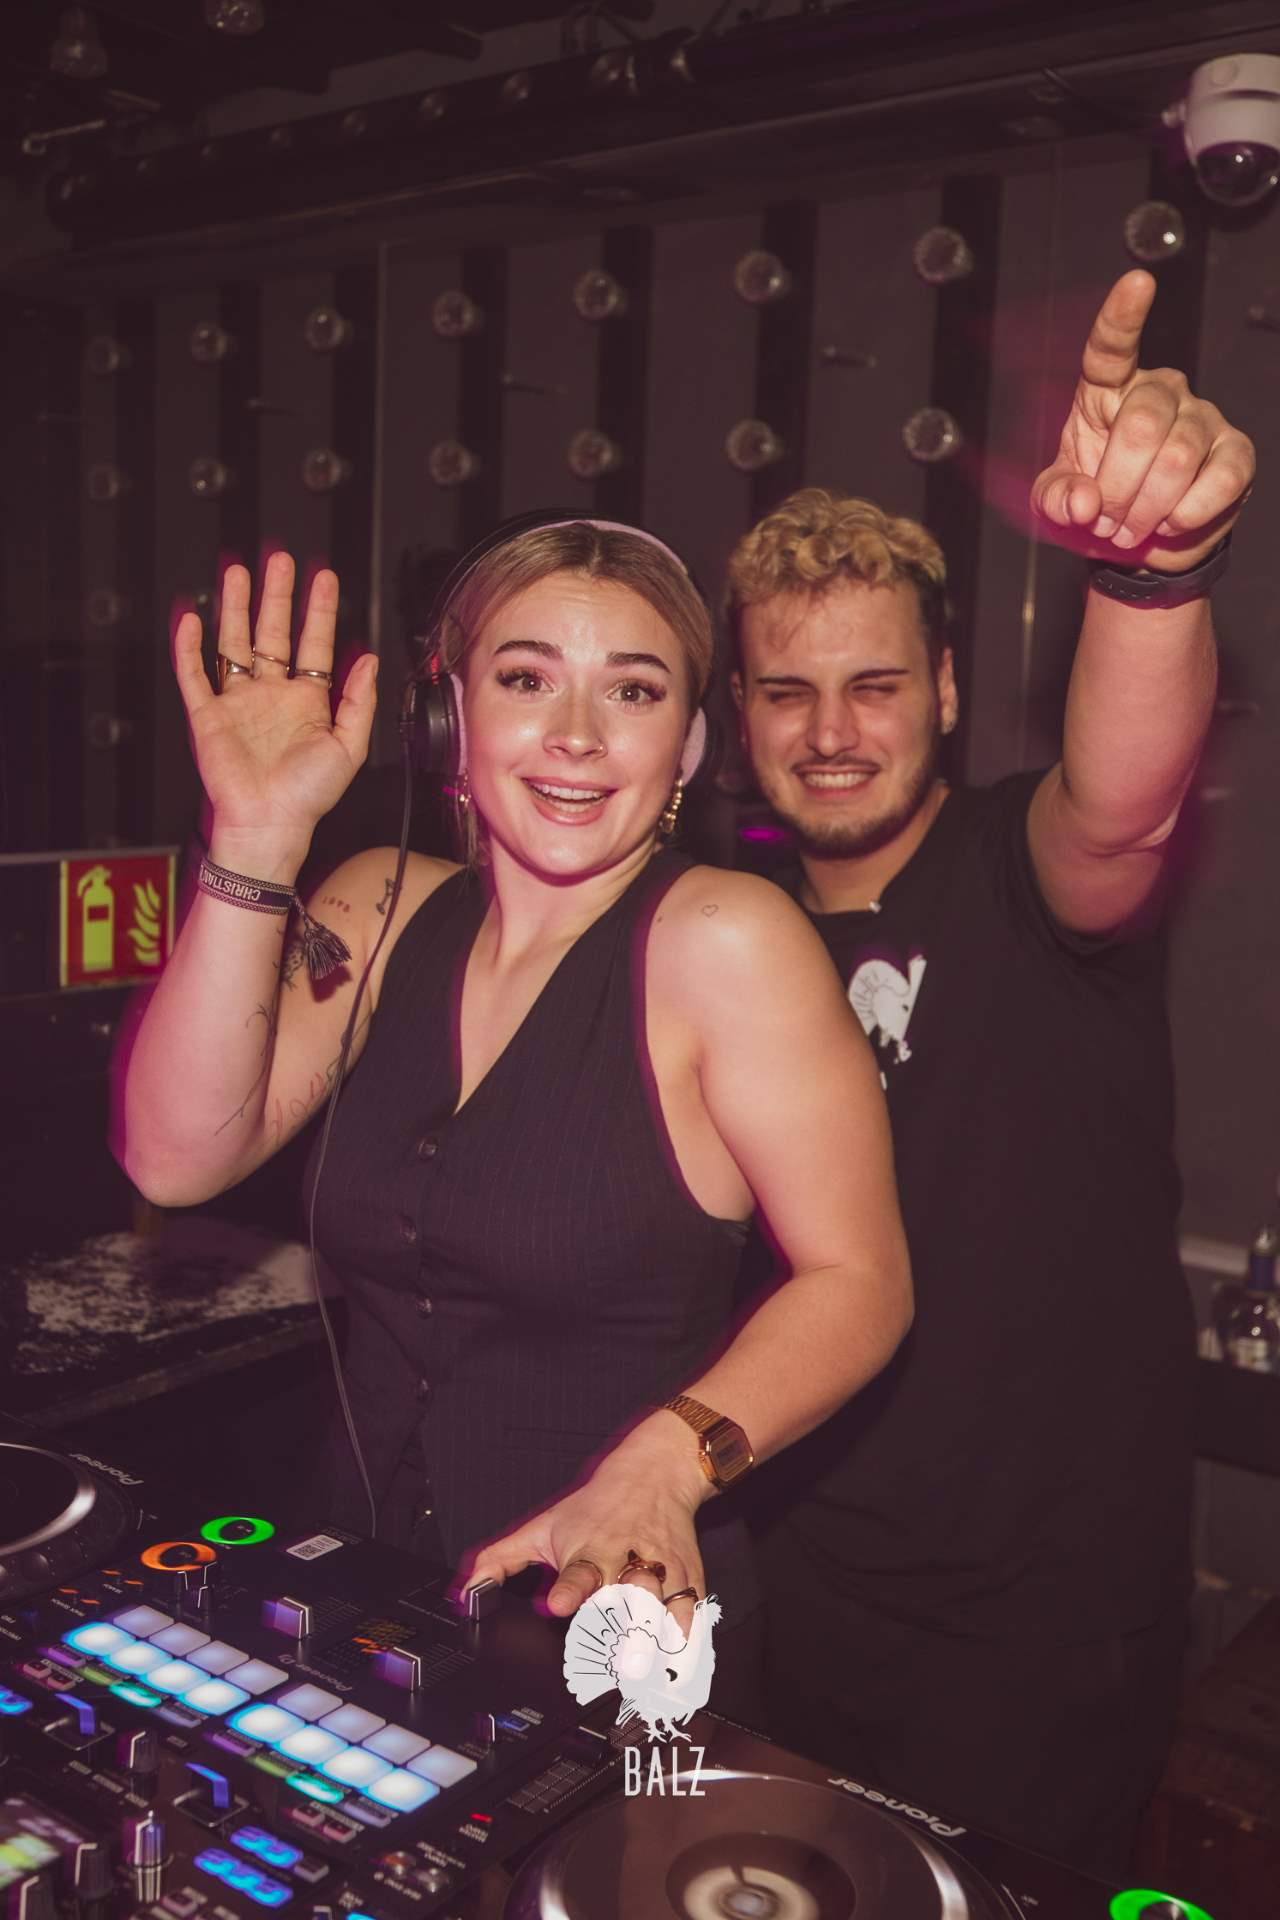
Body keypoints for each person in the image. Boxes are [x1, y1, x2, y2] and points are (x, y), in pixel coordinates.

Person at [117, 514, 912, 1684]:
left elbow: (861, 1281)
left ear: (688, 745)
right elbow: (174, 1156)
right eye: (526, 679)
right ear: (448, 716)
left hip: (610, 1629)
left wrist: (665, 1464)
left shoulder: (724, 941)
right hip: (352, 1586)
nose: (577, 733)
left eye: (632, 692)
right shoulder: (378, 905)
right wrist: (257, 832)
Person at [727, 271, 1255, 1877]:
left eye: (876, 684)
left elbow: (1127, 804)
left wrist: (1150, 576)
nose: (832, 729)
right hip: (795, 1588)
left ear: (947, 692)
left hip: (1040, 1631)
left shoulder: (1025, 868)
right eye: (788, 690)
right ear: (741, 715)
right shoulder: (720, 935)